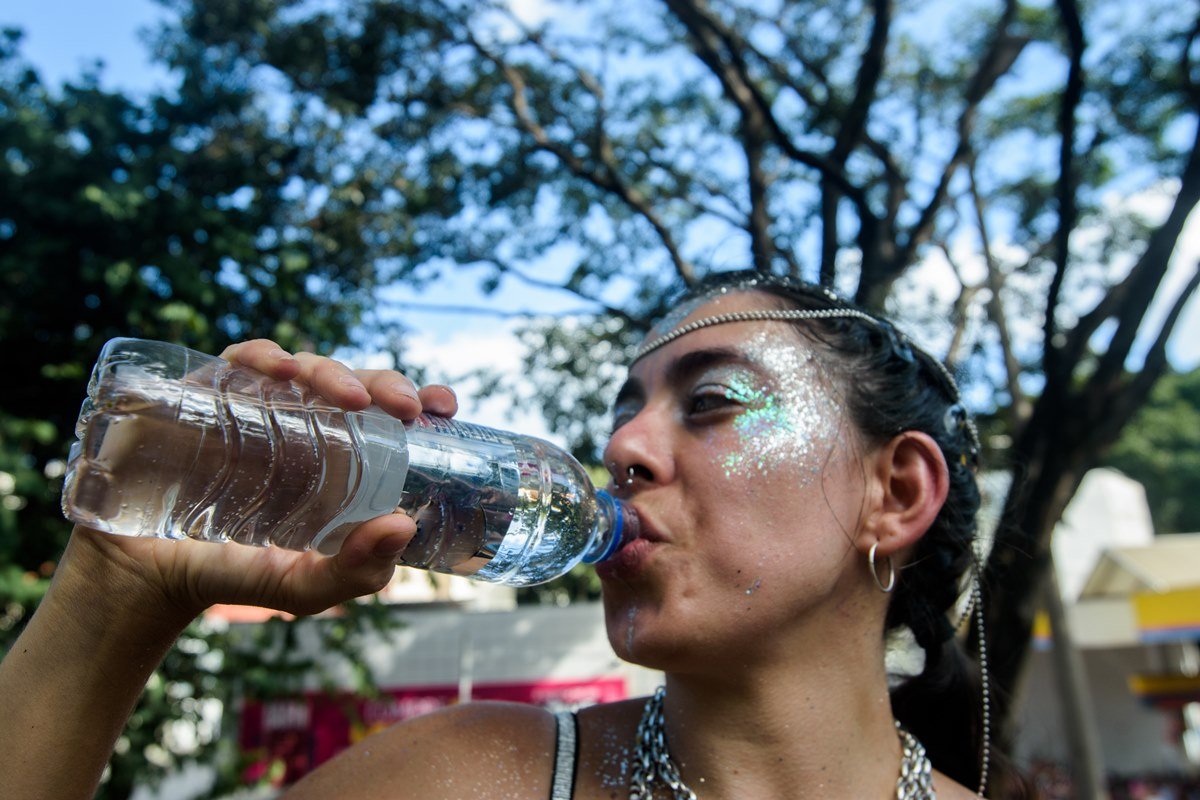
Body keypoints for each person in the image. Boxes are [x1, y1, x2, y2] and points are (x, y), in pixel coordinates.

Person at [0, 271, 1001, 799]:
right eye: (624, 411)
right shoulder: (462, 776)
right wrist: (117, 593)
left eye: (711, 403)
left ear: (895, 492)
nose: (623, 446)